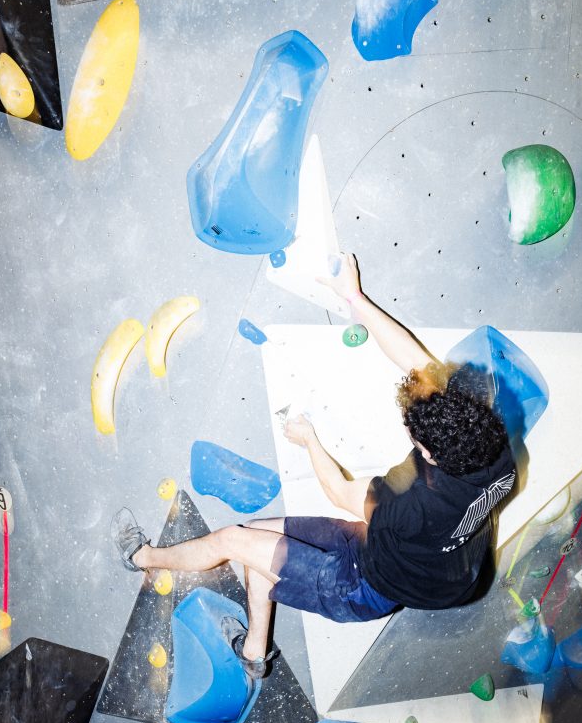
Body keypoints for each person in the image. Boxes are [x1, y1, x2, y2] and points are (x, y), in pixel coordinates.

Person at [112, 254, 516, 679]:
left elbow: (339, 492)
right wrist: (354, 297)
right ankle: (254, 653)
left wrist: (309, 440)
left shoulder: (405, 503)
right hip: (445, 571)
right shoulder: (492, 443)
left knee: (233, 539)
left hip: (359, 587)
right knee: (259, 542)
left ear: (430, 455)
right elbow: (417, 362)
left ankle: (143, 557)